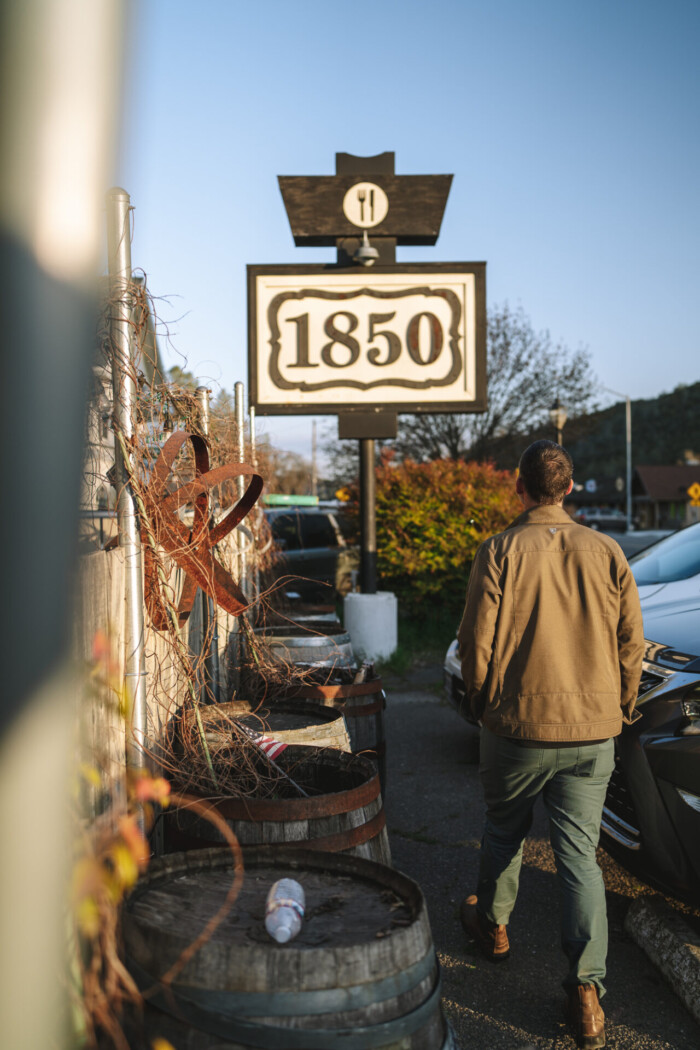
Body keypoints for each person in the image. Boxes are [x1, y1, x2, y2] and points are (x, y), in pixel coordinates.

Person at [457, 440, 644, 1050]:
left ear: (521, 488)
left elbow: (476, 643)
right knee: (579, 856)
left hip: (517, 726)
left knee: (504, 830)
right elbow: (630, 643)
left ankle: (494, 930)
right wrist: (621, 706)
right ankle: (586, 993)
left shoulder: (500, 550)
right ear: (569, 489)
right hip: (594, 728)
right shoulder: (608, 550)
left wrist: (484, 707)